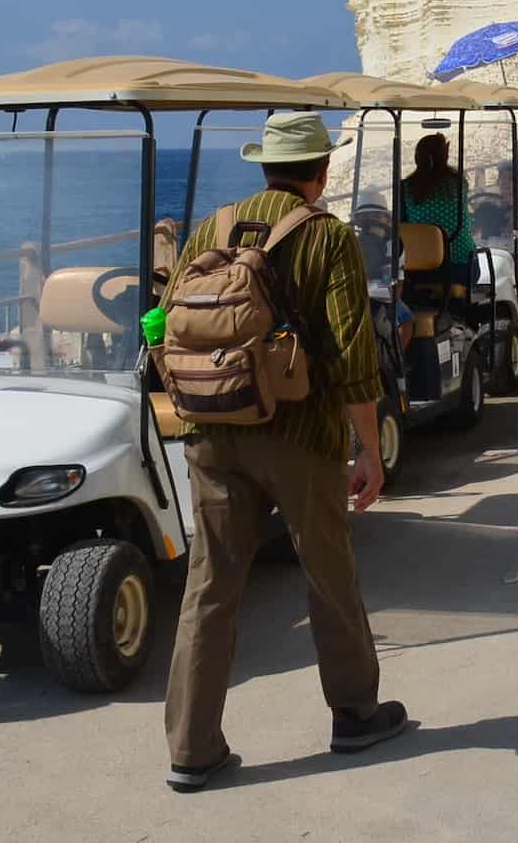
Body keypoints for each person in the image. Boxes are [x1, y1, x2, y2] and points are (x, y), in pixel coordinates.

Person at [163, 112, 408, 792]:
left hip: (212, 430)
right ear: (321, 173)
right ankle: (356, 713)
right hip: (300, 436)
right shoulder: (328, 237)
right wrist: (369, 448)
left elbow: (168, 323)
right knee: (328, 576)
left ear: (264, 166)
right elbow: (351, 354)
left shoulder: (210, 229)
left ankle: (192, 748)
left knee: (210, 588)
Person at [398, 133, 477, 290]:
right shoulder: (459, 183)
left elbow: (403, 225)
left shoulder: (405, 188)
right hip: (460, 268)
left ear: (417, 157)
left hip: (416, 269)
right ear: (445, 156)